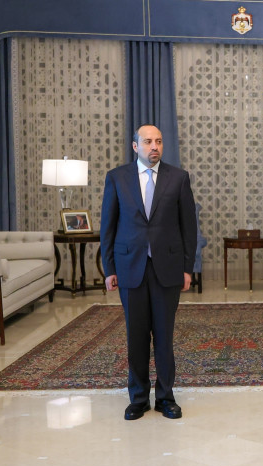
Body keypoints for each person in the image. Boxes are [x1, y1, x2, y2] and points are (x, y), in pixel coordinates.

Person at [100, 124, 197, 421]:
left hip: (167, 269)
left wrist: (187, 268)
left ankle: (166, 398)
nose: (154, 146)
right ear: (135, 146)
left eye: (159, 141)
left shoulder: (178, 178)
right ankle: (138, 398)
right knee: (137, 337)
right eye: (147, 141)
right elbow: (108, 226)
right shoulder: (117, 178)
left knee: (164, 337)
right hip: (130, 268)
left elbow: (189, 227)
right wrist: (109, 268)